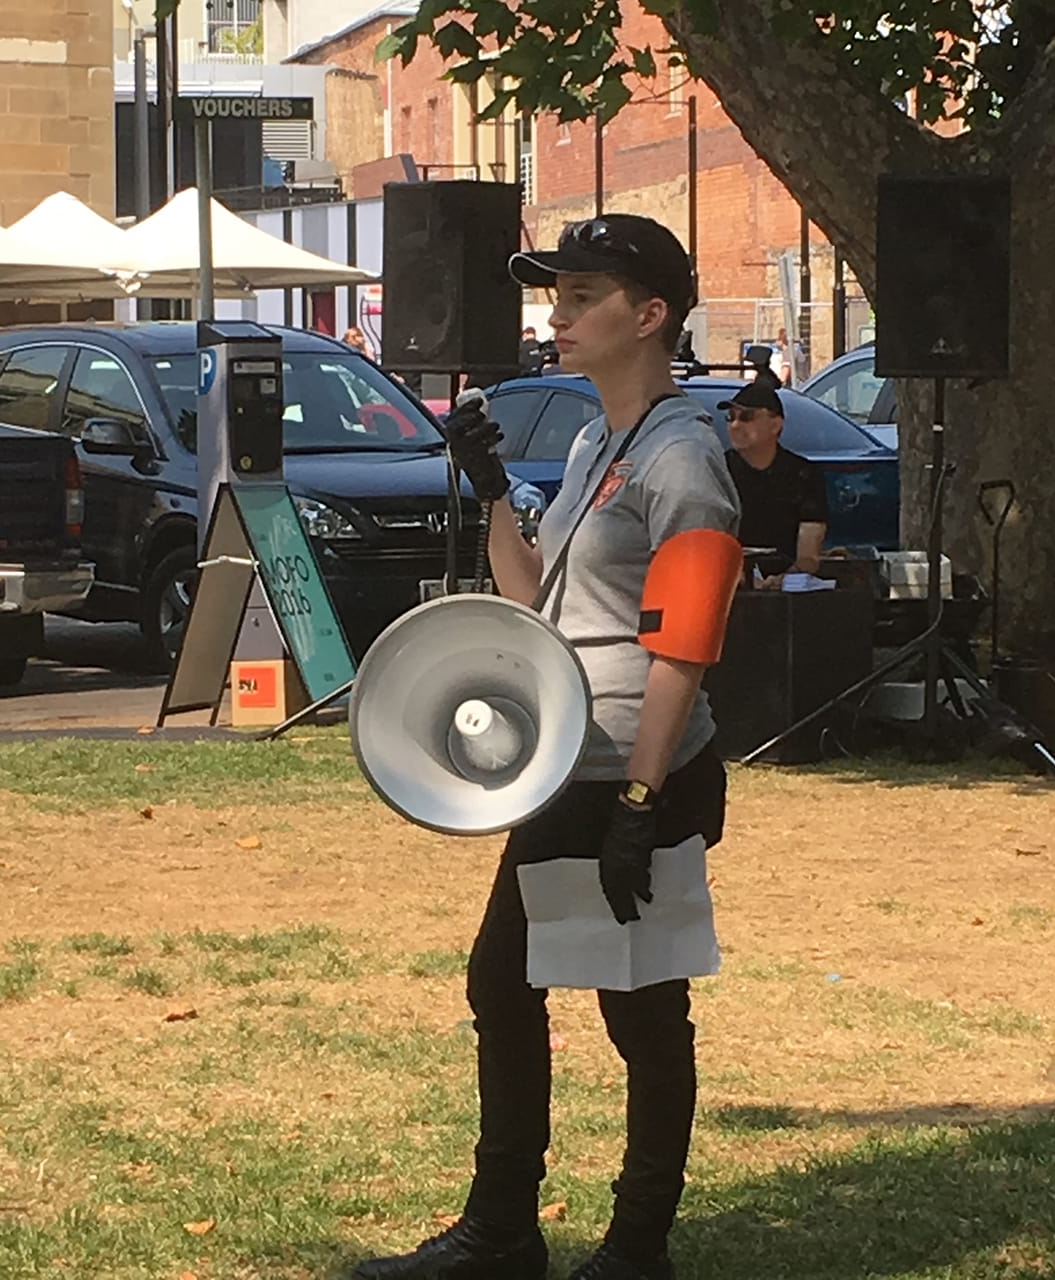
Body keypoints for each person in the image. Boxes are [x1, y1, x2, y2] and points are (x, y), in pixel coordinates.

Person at [353, 214, 742, 1280]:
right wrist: (492, 495)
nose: (556, 315)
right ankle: (505, 1230)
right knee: (506, 981)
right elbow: (533, 603)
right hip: (572, 766)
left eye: (581, 296)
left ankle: (632, 1245)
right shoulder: (594, 441)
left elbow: (684, 648)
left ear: (649, 314)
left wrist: (640, 804)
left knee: (642, 1007)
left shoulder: (684, 456)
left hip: (636, 772)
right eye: (554, 294)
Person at [720, 374, 828, 588]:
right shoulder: (718, 471)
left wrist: (783, 580)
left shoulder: (805, 474)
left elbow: (809, 553)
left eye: (747, 417)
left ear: (775, 425)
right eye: (730, 417)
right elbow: (709, 540)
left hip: (787, 589)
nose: (735, 425)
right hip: (730, 586)